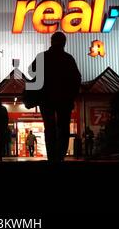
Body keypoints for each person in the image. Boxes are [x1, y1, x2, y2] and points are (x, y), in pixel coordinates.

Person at [28, 31, 81, 162]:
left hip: (46, 98)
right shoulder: (68, 59)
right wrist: (71, 95)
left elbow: (32, 71)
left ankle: (52, 156)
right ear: (64, 43)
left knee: (49, 127)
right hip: (64, 99)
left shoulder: (42, 57)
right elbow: (77, 79)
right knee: (63, 127)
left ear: (51, 42)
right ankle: (60, 155)